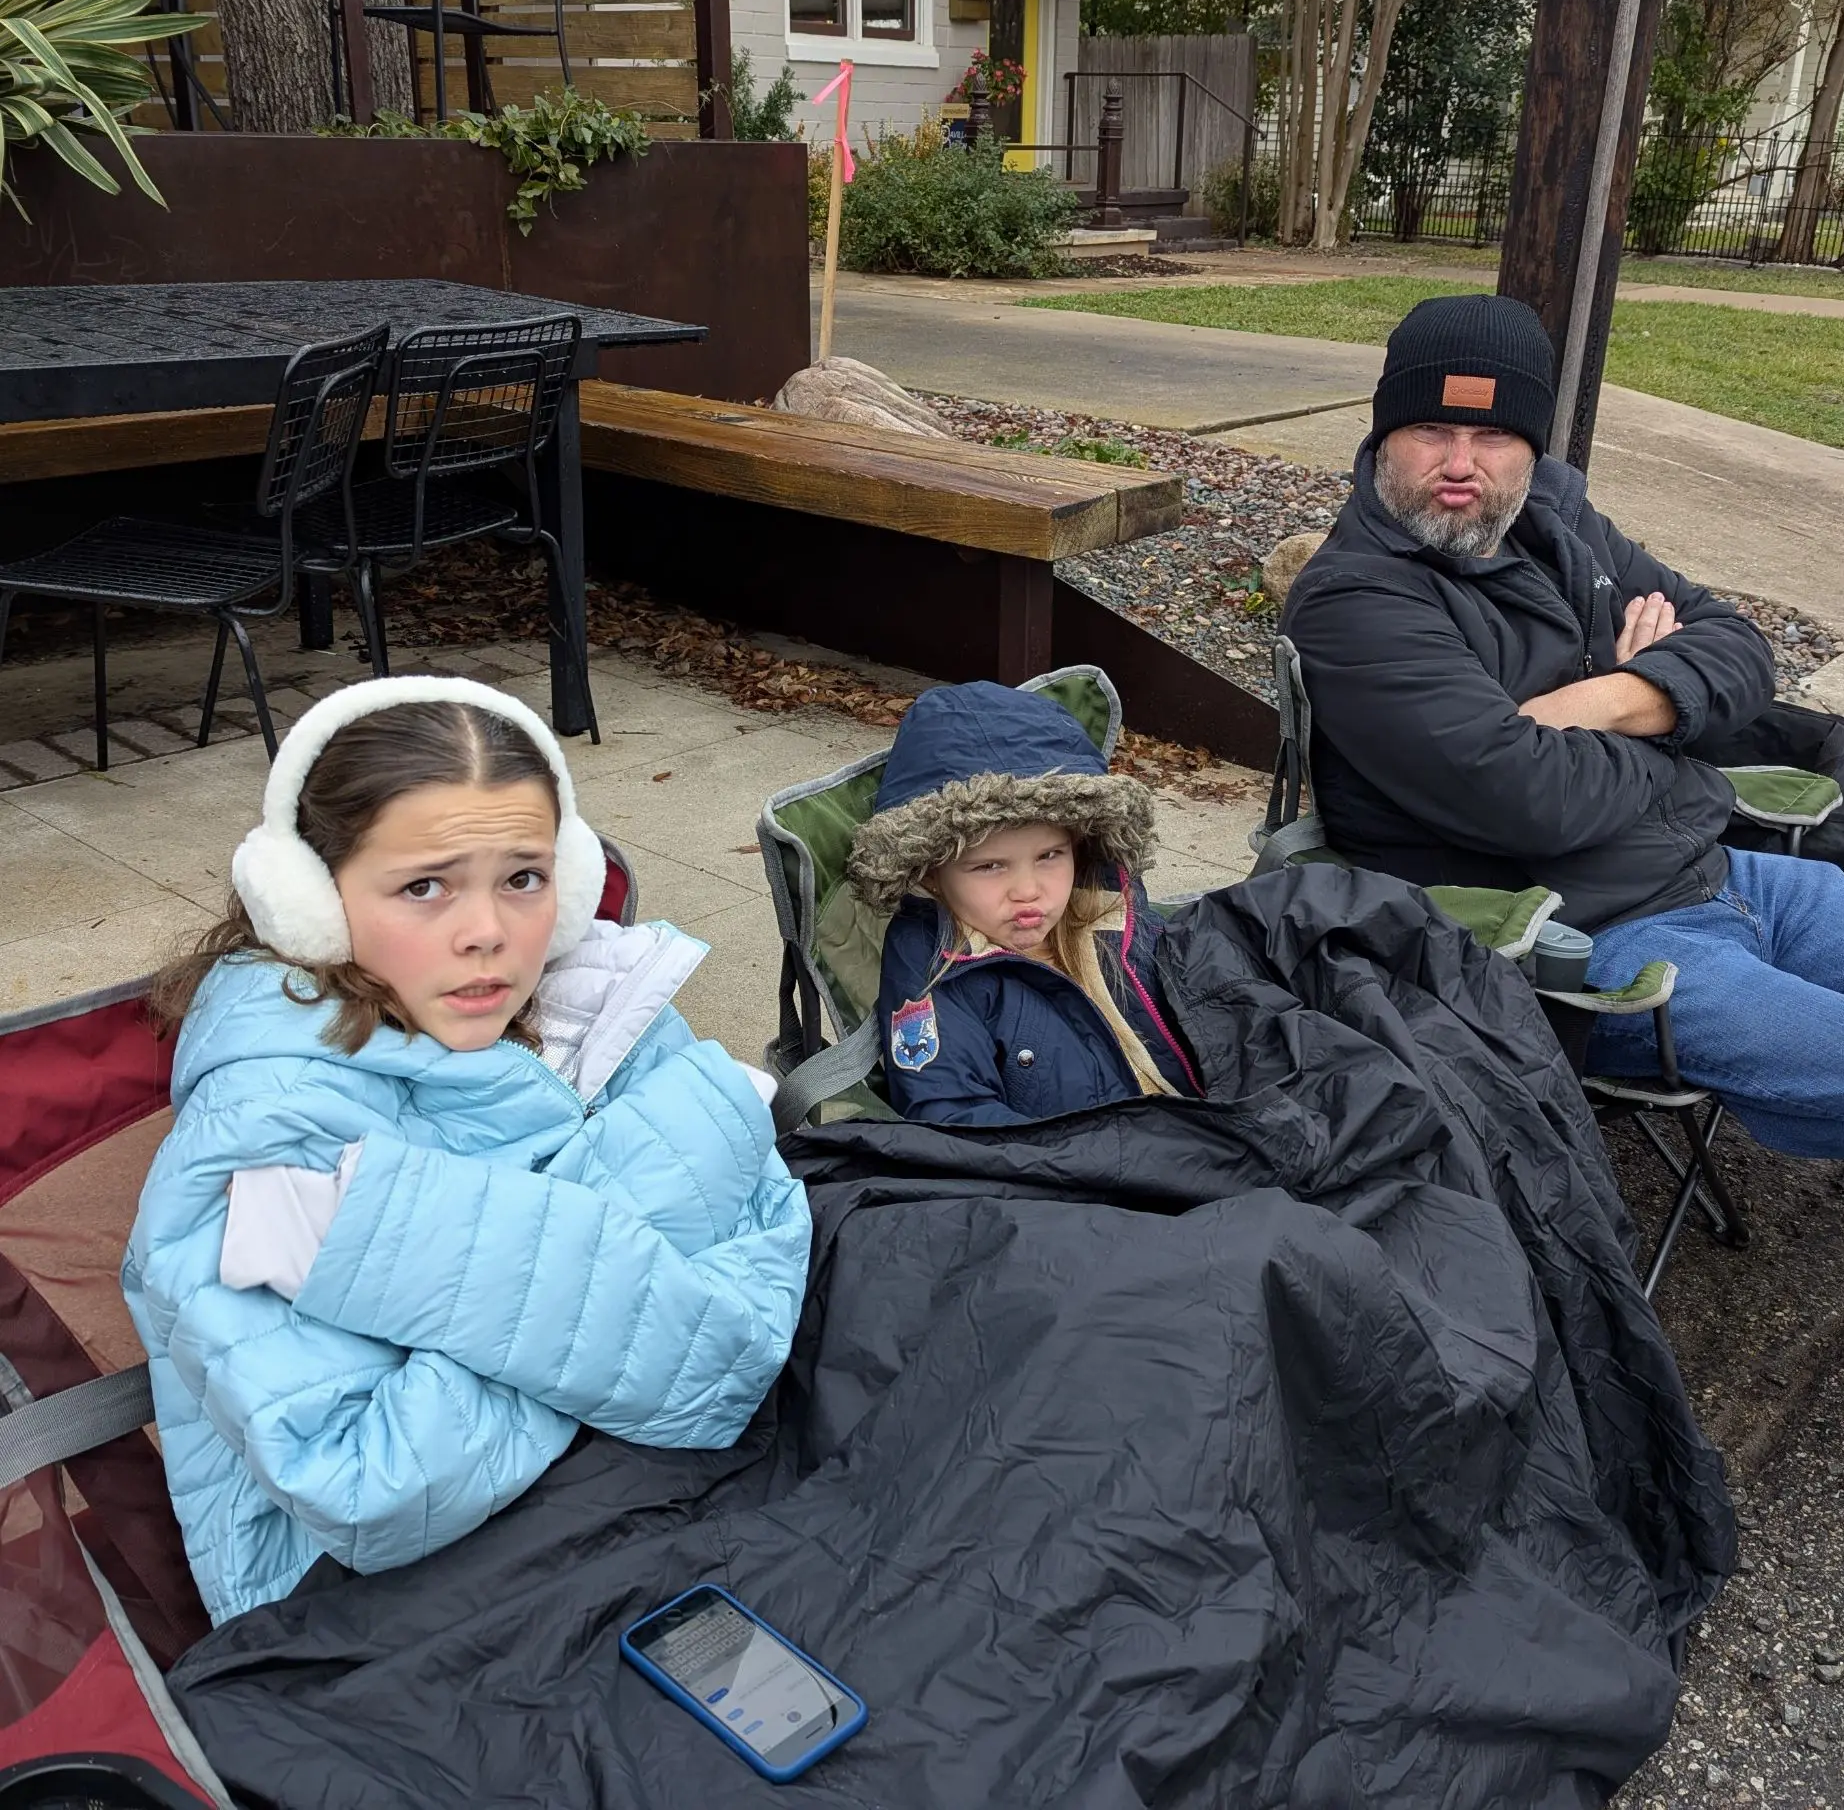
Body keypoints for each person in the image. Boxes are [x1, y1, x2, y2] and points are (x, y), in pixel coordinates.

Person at [1281, 291, 1844, 1306]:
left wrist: (1606, 697)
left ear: (1529, 447)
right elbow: (1527, 798)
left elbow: (1740, 647)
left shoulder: (1559, 525)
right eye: (1431, 428)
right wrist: (1674, 722)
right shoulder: (1358, 600)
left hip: (1735, 876)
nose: (1460, 461)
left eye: (1492, 434)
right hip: (1591, 946)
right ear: (1381, 435)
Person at [127, 677, 812, 1624]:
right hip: (386, 1617)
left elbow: (770, 1261)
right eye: (423, 886)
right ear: (308, 906)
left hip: (639, 1507)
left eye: (524, 878)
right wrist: (692, 1146)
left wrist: (421, 1250)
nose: (488, 932)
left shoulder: (596, 1002)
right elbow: (372, 1485)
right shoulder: (264, 1123)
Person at [849, 681, 1200, 1127]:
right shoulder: (929, 964)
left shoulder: (1107, 901)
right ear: (932, 872)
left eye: (1050, 856)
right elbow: (952, 1112)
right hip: (1088, 1173)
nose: (1028, 890)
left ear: (1079, 844)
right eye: (990, 866)